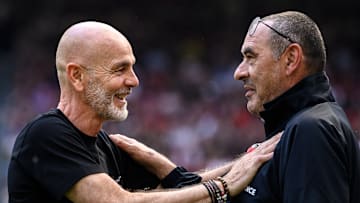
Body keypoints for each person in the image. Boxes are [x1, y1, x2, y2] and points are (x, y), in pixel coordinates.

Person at [7, 21, 281, 203]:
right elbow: (116, 202)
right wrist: (221, 188)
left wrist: (255, 156)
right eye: (120, 69)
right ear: (77, 76)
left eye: (133, 67)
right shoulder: (46, 135)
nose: (134, 81)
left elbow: (181, 188)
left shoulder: (106, 145)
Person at [232, 11, 360, 203]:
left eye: (251, 57)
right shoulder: (301, 126)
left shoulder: (311, 129)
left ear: (291, 59)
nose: (238, 73)